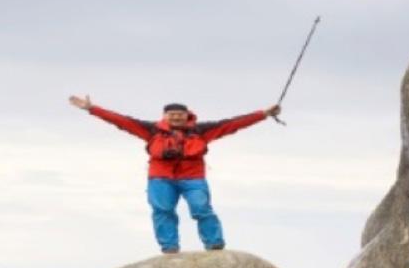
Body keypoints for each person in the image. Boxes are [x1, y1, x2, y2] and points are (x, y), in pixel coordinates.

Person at [69, 95, 281, 253]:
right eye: (172, 115)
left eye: (180, 115)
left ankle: (214, 244)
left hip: (193, 178)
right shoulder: (151, 130)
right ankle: (169, 248)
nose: (176, 118)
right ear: (165, 116)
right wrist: (92, 109)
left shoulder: (201, 130)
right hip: (160, 178)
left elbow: (233, 124)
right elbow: (121, 121)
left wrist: (263, 114)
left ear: (187, 115)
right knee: (162, 210)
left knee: (201, 209)